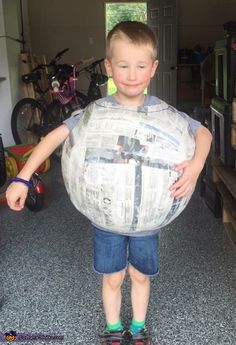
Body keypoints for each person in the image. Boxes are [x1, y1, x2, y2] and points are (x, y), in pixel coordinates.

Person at [6, 21, 212, 345]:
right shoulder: (91, 114)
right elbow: (52, 138)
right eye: (123, 65)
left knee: (140, 275)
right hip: (106, 220)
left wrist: (197, 164)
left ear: (154, 68)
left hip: (148, 220)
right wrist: (22, 176)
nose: (132, 74)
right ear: (108, 66)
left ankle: (139, 328)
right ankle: (114, 329)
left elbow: (204, 132)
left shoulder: (167, 115)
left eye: (141, 66)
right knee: (113, 277)